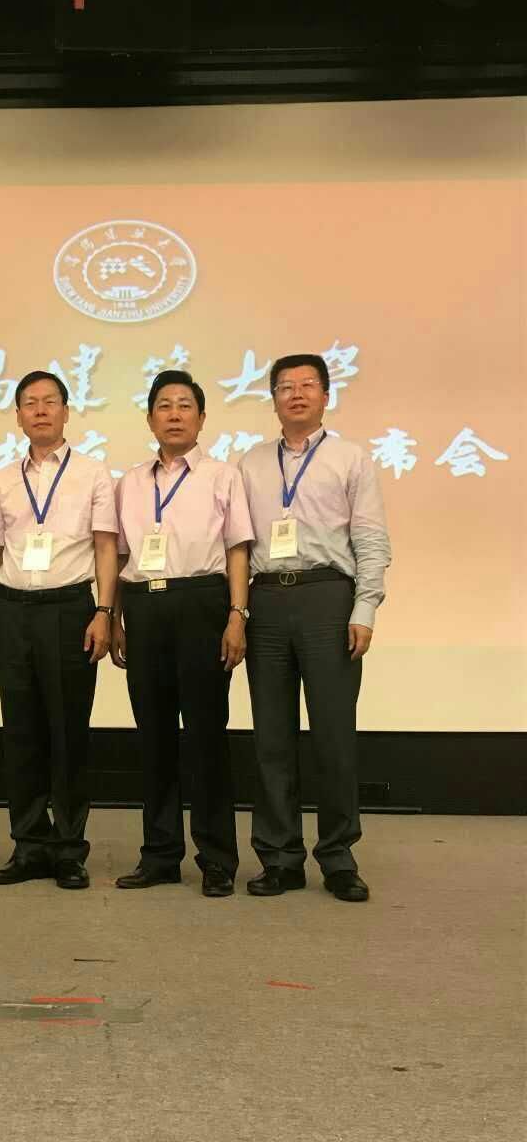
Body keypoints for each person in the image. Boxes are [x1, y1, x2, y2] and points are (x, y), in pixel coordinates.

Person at [238, 353, 391, 902]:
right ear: (274, 399)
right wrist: (238, 610)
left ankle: (339, 857)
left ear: (326, 395)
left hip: (328, 596)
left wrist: (364, 608)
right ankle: (279, 858)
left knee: (333, 735)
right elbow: (236, 544)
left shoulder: (350, 458)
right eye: (285, 386)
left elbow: (370, 538)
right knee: (271, 738)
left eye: (307, 385)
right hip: (266, 602)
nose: (296, 394)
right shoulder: (250, 463)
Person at [111, 369, 254, 896]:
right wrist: (116, 616)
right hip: (143, 607)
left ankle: (217, 858)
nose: (174, 415)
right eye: (164, 406)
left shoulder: (222, 476)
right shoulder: (129, 482)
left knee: (206, 735)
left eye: (184, 405)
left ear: (202, 417)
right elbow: (119, 555)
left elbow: (237, 549)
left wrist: (237, 615)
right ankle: (159, 854)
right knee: (152, 736)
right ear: (149, 419)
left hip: (202, 604)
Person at [0, 371, 119, 890]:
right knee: (21, 733)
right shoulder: (2, 478)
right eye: (30, 403)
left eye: (50, 402)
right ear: (18, 415)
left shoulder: (92, 472)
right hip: (14, 608)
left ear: (66, 411)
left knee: (67, 732)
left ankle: (68, 849)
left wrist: (104, 611)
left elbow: (105, 546)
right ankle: (28, 845)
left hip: (69, 609)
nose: (40, 410)